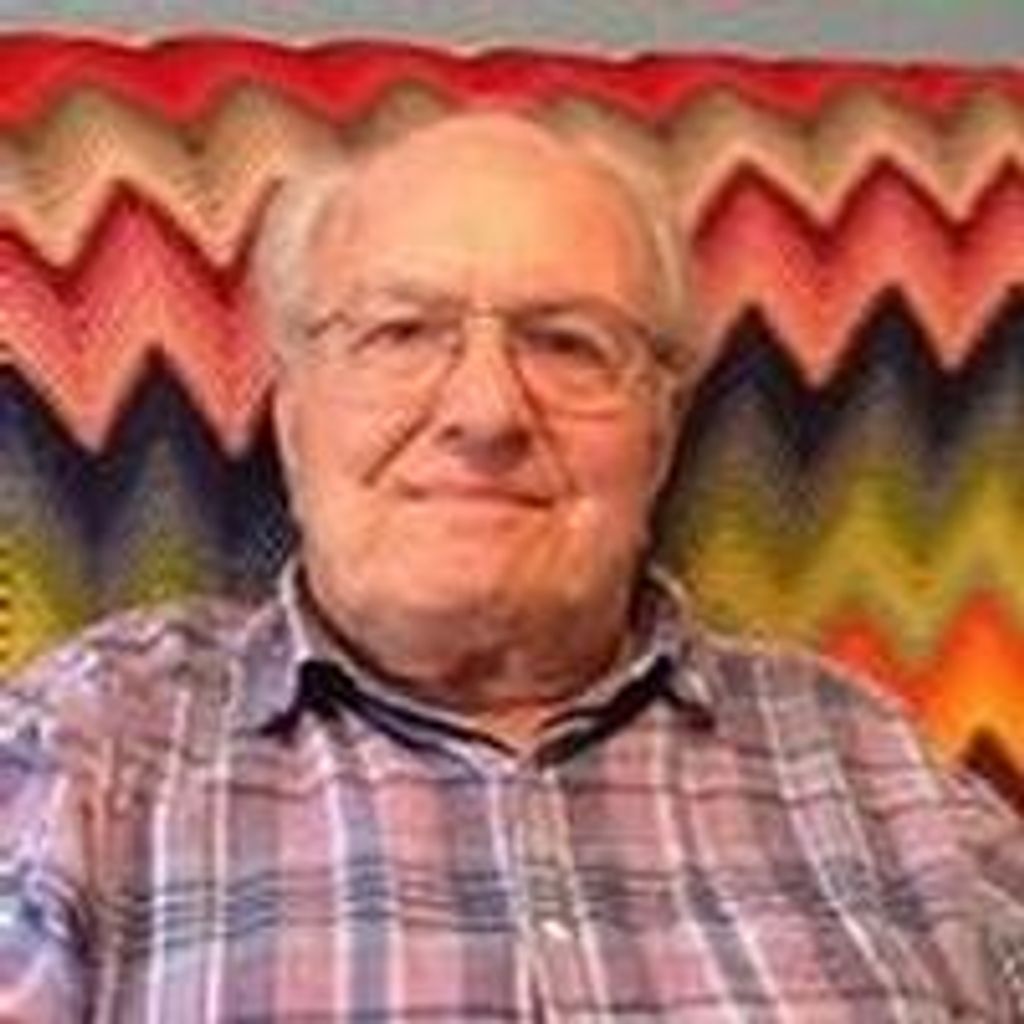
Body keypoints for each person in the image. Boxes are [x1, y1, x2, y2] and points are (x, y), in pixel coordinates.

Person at [1, 109, 1021, 1022]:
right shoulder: (89, 747)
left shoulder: (868, 760)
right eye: (401, 332)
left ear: (660, 435)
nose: (486, 412)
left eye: (567, 345)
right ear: (293, 415)